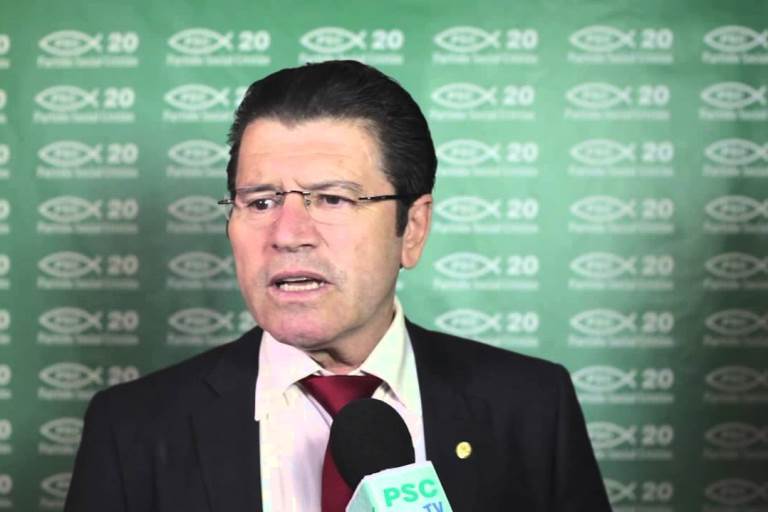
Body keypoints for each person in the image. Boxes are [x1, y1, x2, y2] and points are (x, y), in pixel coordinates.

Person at [65, 60, 610, 512]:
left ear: (412, 229)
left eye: (332, 199)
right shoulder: (132, 429)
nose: (288, 234)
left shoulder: (532, 408)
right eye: (260, 201)